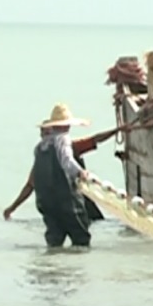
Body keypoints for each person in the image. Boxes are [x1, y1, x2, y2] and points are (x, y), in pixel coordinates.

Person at [3, 121, 134, 220]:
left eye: (47, 133)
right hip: (71, 205)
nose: (45, 137)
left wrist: (117, 130)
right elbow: (30, 186)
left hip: (67, 205)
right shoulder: (43, 156)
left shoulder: (64, 149)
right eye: (43, 133)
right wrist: (12, 208)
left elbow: (95, 139)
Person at [27, 103, 93, 248]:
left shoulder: (40, 147)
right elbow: (66, 161)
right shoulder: (63, 139)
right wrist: (80, 172)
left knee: (54, 241)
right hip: (67, 201)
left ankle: (53, 268)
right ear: (66, 125)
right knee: (81, 239)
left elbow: (35, 179)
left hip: (46, 203)